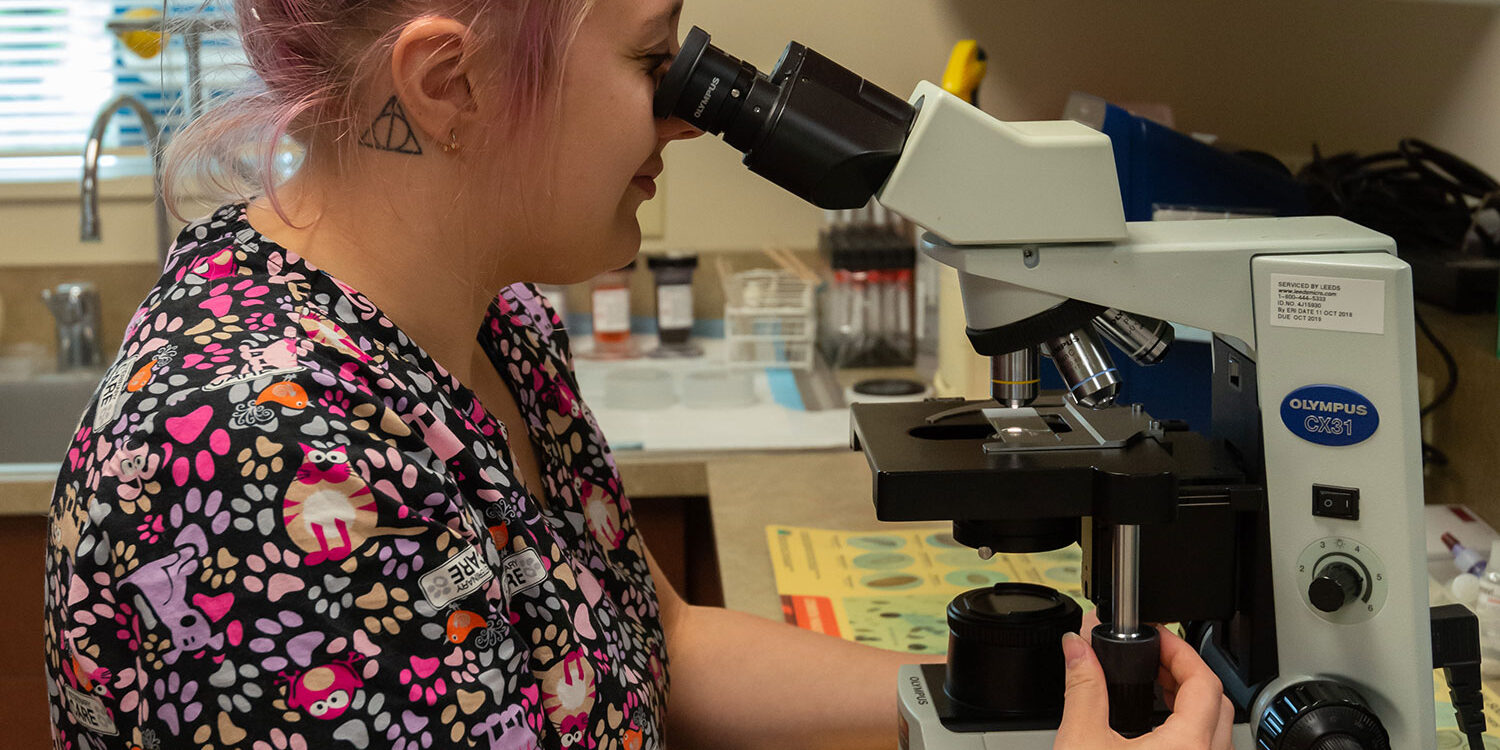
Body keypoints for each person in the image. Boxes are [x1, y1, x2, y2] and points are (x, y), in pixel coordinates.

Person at [42, 0, 1233, 747]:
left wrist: (1001, 703)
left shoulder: (490, 325)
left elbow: (657, 648)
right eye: (654, 63)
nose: (690, 118)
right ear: (449, 84)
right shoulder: (262, 454)